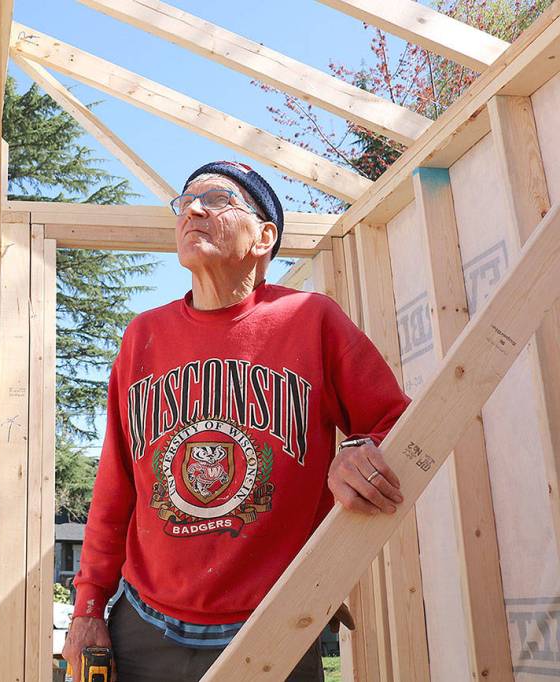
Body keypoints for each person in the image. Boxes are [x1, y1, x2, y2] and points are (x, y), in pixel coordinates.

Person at [64, 161, 410, 681]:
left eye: (217, 200)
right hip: (144, 625)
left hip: (277, 626)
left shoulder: (311, 320)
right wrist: (88, 607)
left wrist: (358, 449)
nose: (193, 210)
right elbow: (115, 489)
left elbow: (397, 423)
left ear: (264, 236)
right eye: (185, 202)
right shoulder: (143, 337)